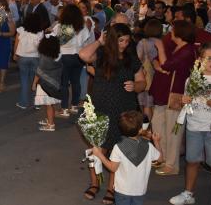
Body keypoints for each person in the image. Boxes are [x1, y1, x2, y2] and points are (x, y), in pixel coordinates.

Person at [79, 23, 146, 204]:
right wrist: (100, 41)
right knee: (97, 150)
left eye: (126, 41)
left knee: (118, 152)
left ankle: (112, 188)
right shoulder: (100, 55)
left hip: (123, 110)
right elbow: (83, 55)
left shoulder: (131, 59)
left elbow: (142, 82)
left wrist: (135, 86)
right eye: (120, 40)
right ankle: (95, 184)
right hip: (100, 109)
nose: (124, 44)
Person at [168, 41, 211, 205]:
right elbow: (187, 101)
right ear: (199, 59)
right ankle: (189, 194)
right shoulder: (192, 79)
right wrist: (184, 100)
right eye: (207, 58)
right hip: (194, 126)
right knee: (192, 161)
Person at [150, 20, 198, 176]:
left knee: (173, 131)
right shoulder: (174, 45)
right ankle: (162, 157)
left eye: (173, 30)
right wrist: (160, 66)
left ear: (180, 33)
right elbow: (157, 61)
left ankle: (172, 165)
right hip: (162, 92)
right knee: (158, 125)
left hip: (175, 95)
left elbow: (166, 64)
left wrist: (160, 51)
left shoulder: (188, 51)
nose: (170, 32)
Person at [91, 111, 163, 205]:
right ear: (141, 130)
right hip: (140, 190)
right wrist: (156, 141)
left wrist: (99, 155)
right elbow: (160, 159)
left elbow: (112, 168)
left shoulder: (118, 147)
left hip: (122, 190)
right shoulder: (148, 146)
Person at [52, 4, 91, 118]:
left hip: (65, 56)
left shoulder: (61, 26)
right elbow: (85, 43)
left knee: (64, 84)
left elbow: (56, 42)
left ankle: (64, 108)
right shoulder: (82, 27)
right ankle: (74, 106)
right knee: (76, 82)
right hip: (78, 57)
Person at [14, 13, 44, 108]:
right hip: (36, 57)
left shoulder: (21, 30)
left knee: (24, 80)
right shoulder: (40, 32)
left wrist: (15, 54)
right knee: (35, 80)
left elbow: (16, 43)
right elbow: (41, 46)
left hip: (22, 57)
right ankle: (36, 103)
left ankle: (24, 103)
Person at [32, 36, 62, 132]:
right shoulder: (58, 56)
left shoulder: (44, 57)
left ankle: (50, 124)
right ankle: (49, 119)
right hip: (55, 83)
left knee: (48, 105)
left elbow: (39, 72)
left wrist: (34, 84)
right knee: (50, 104)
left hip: (45, 84)